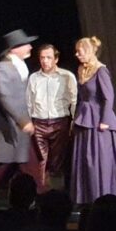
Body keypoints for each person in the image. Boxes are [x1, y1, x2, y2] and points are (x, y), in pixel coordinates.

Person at [0, 29, 38, 196]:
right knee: (0, 163)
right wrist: (22, 120)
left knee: (28, 163)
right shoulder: (2, 68)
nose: (30, 47)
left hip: (22, 124)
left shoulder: (20, 66)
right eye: (26, 44)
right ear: (14, 48)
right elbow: (5, 96)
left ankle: (40, 194)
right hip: (9, 125)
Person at [70, 36, 116, 203]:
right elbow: (81, 97)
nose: (76, 54)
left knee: (98, 160)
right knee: (85, 160)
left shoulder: (101, 71)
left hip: (98, 121)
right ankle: (85, 199)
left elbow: (109, 97)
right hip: (84, 119)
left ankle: (102, 198)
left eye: (79, 51)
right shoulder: (81, 69)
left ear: (88, 51)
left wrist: (105, 121)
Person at [26, 44, 77, 192]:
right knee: (40, 161)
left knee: (57, 162)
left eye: (49, 57)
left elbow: (74, 100)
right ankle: (40, 193)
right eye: (42, 58)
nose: (45, 61)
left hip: (60, 122)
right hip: (39, 123)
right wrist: (29, 121)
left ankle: (56, 194)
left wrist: (74, 121)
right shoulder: (34, 78)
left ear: (56, 59)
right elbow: (29, 102)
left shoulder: (67, 76)